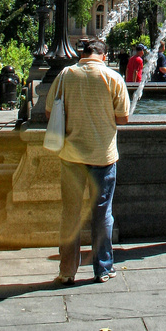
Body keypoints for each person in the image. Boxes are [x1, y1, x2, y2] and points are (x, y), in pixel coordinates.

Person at [45, 38, 130, 284]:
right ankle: (103, 269)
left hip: (71, 155)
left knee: (70, 212)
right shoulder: (113, 78)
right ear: (104, 56)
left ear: (83, 54)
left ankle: (67, 270)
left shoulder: (64, 75)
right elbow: (123, 118)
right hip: (102, 155)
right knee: (102, 212)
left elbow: (50, 112)